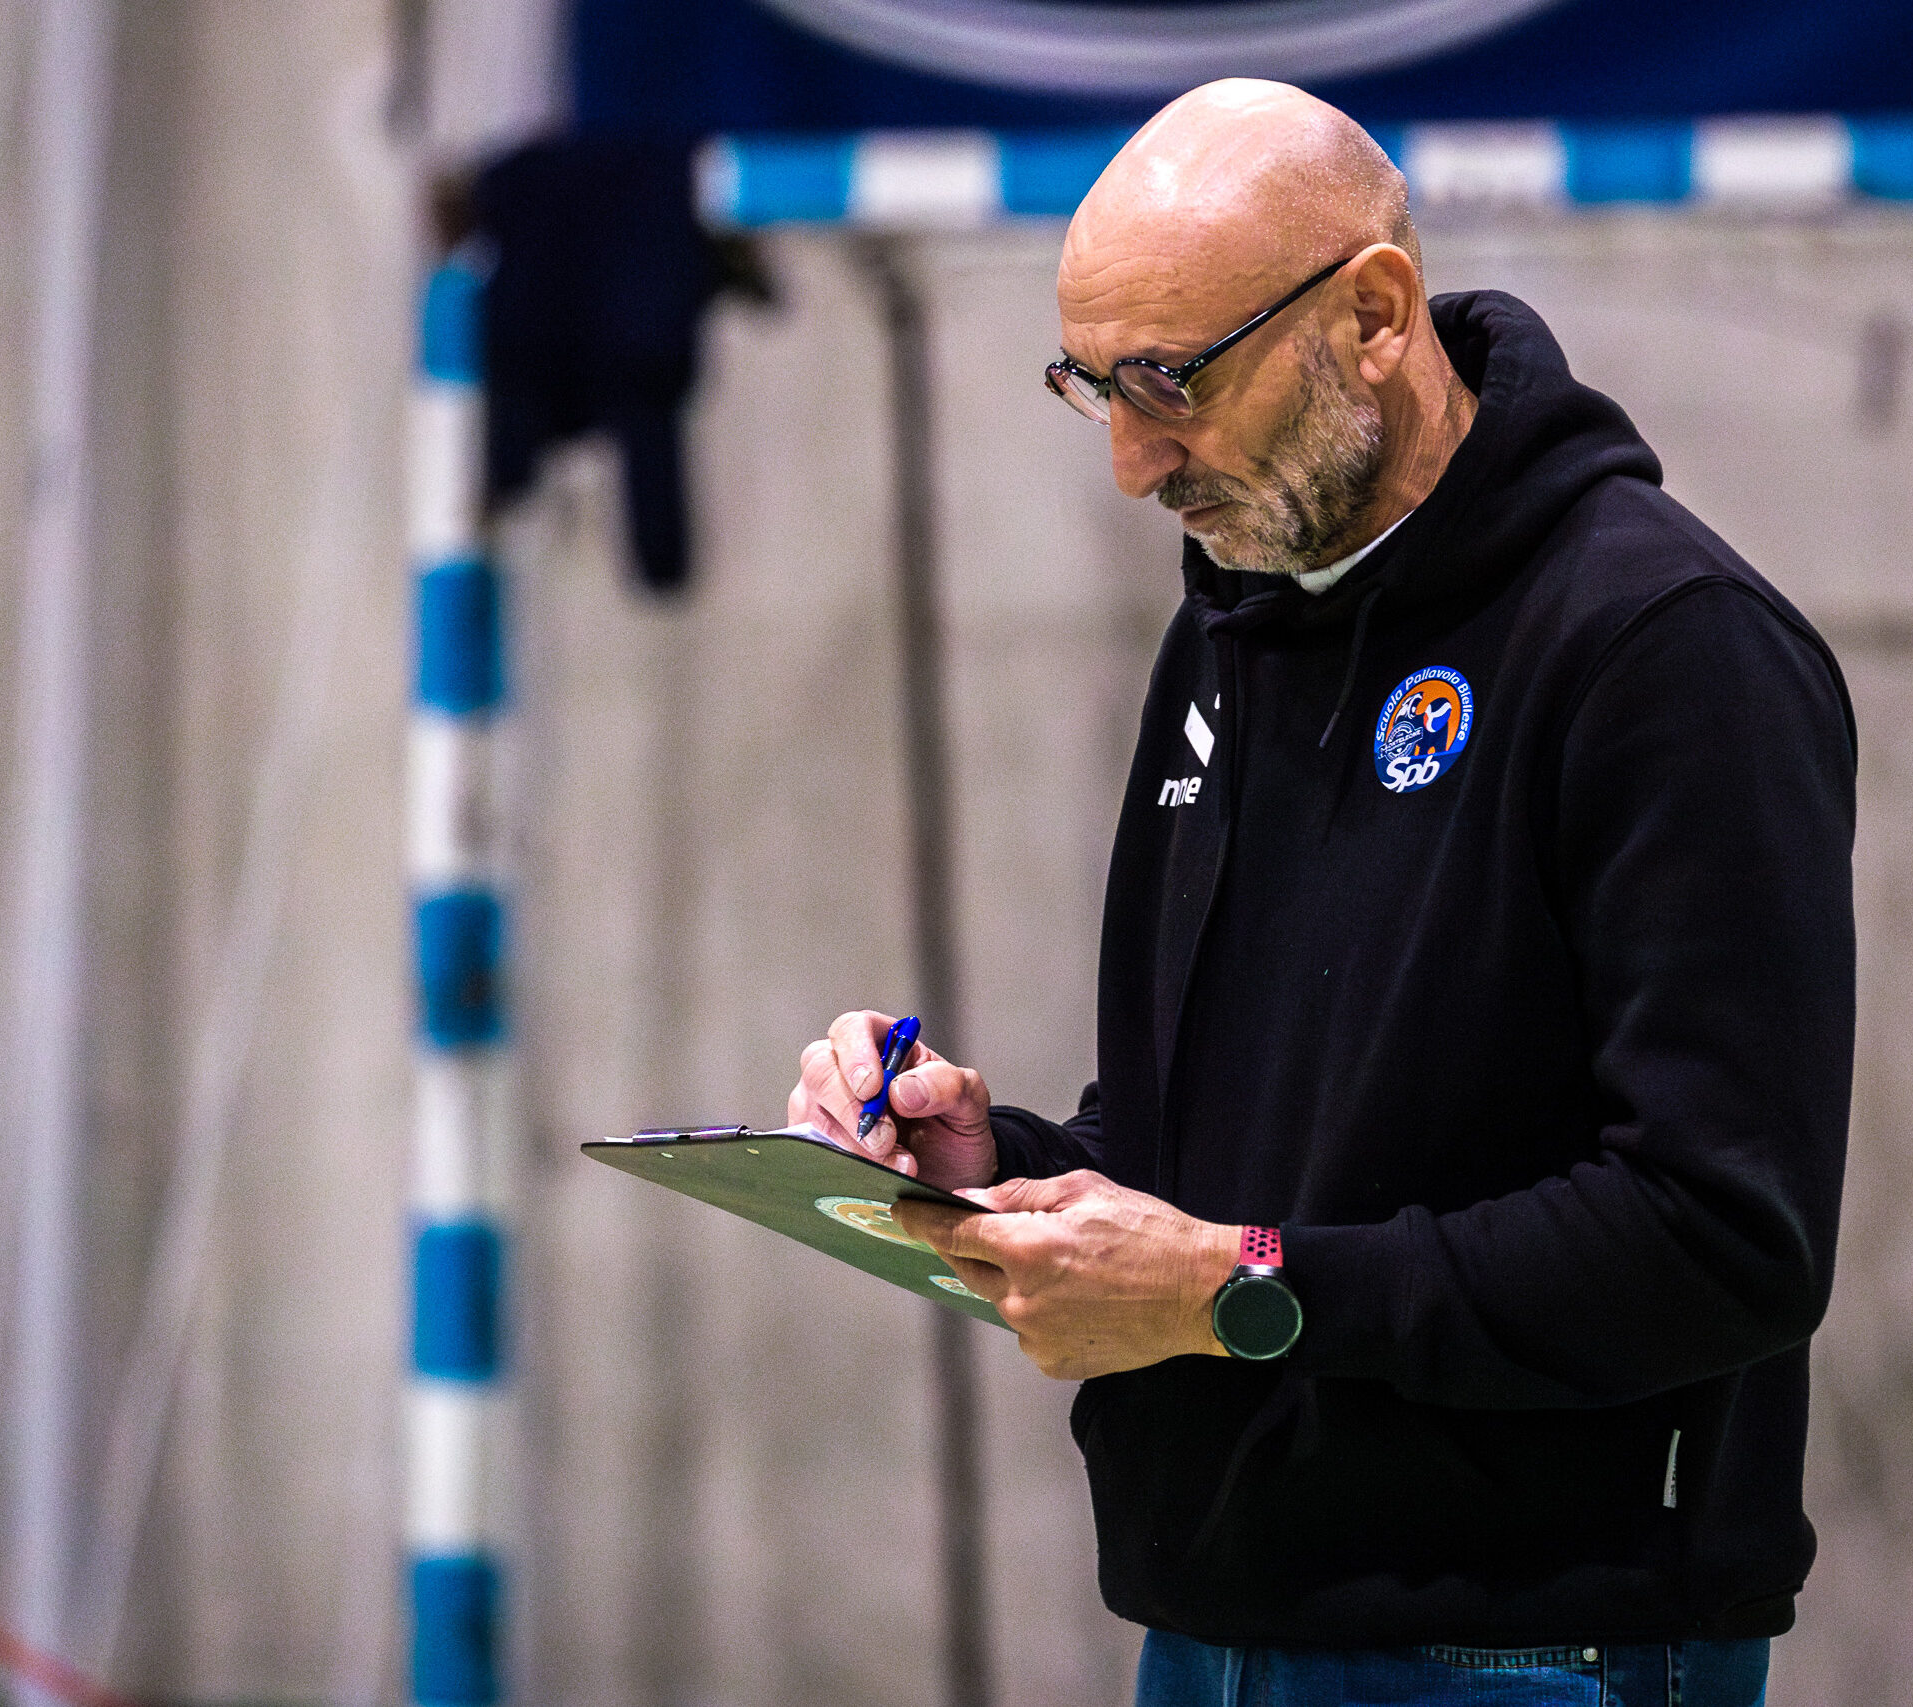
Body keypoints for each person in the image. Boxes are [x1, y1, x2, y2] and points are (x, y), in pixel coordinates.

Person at [787, 78, 1854, 1707]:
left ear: (1372, 316)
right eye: (1094, 387)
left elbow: (1721, 1240)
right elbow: (1238, 1174)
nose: (1136, 463)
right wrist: (998, 1160)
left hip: (1532, 1648)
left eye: (1175, 382)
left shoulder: (1666, 654)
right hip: (1212, 1629)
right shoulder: (1237, 626)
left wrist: (1234, 1294)